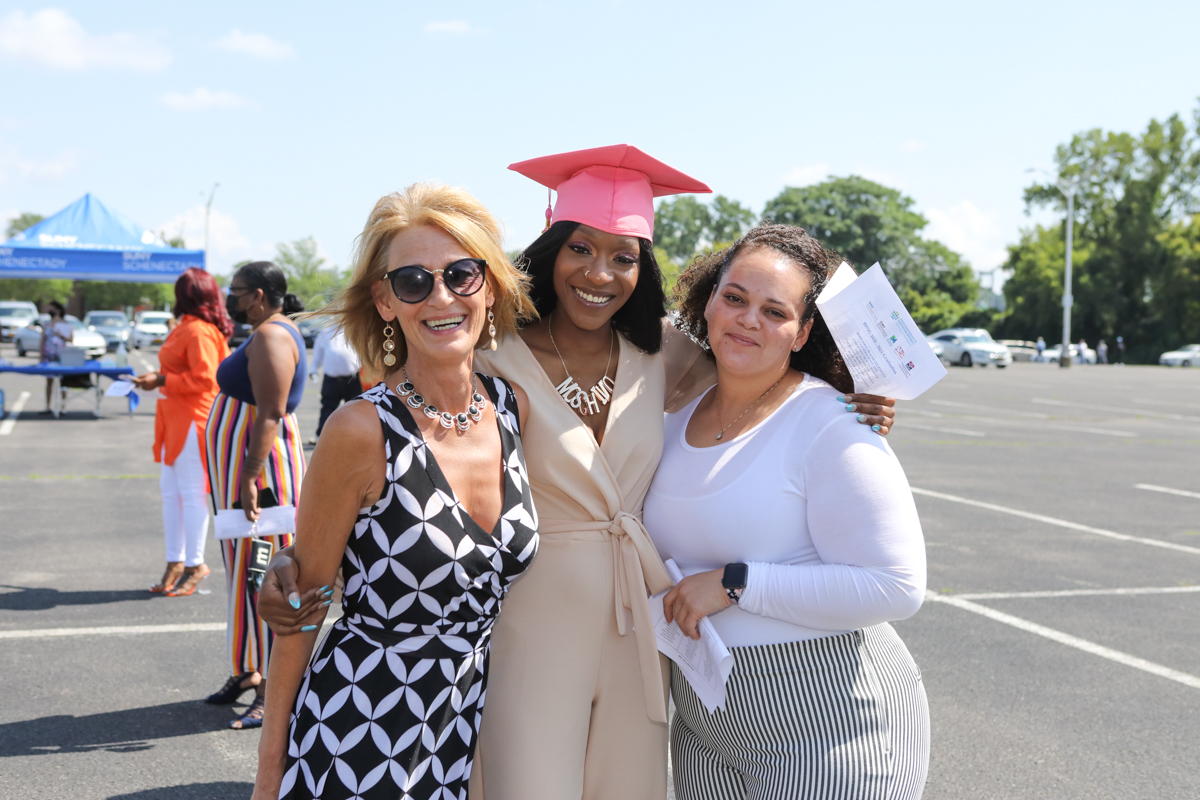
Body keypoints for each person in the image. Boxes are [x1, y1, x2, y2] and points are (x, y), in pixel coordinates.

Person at [257, 145, 898, 799]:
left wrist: (853, 386)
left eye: (624, 256)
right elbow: (406, 445)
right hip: (531, 620)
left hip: (635, 625)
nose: (600, 273)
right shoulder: (489, 350)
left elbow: (761, 374)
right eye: (580, 249)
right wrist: (298, 563)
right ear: (550, 250)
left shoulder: (665, 352)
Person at [250, 184, 538, 800]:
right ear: (384, 300)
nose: (441, 296)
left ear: (489, 285)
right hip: (361, 728)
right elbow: (301, 609)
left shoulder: (513, 409)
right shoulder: (361, 430)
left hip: (468, 729)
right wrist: (269, 771)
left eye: (462, 274)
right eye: (413, 281)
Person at [646, 223, 928, 799]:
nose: (749, 319)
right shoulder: (672, 415)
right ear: (707, 304)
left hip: (830, 726)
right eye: (735, 298)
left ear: (802, 333)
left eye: (775, 311)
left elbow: (896, 585)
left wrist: (735, 585)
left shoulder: (830, 424)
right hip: (706, 725)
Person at [203, 261, 307, 729]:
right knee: (242, 571)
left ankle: (271, 689)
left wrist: (248, 475)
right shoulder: (266, 331)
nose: (231, 297)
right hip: (242, 475)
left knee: (263, 576)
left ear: (260, 294)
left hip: (259, 479)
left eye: (238, 290)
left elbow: (270, 412)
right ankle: (247, 669)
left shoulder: (271, 336)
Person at [132, 268, 232, 596]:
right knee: (171, 494)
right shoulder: (188, 327)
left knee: (190, 495)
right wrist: (158, 379)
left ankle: (195, 563)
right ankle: (176, 560)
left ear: (185, 295)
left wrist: (160, 380)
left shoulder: (199, 331)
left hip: (193, 418)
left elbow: (206, 379)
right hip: (175, 417)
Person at [307, 323, 362, 441]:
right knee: (328, 408)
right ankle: (321, 437)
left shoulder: (354, 330)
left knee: (355, 409)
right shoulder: (325, 333)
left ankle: (356, 437)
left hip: (352, 379)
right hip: (331, 379)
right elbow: (318, 355)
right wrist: (313, 370)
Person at [38, 301, 73, 413]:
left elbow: (71, 339)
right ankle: (47, 406)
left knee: (63, 382)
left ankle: (63, 407)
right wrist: (41, 356)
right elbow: (42, 341)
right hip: (49, 356)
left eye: (52, 308)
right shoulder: (47, 324)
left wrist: (60, 335)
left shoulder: (65, 324)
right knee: (49, 382)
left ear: (58, 310)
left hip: (61, 357)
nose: (50, 310)